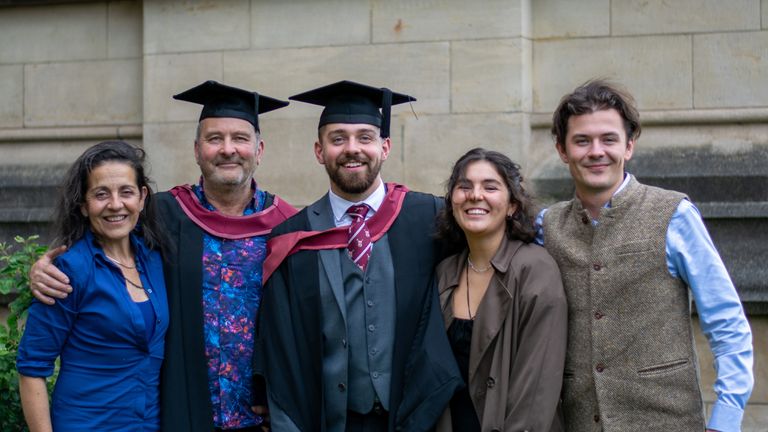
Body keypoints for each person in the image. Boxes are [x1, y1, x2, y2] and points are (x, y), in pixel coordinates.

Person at [28, 81, 297, 431]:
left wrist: (286, 402)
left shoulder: (289, 225)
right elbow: (99, 243)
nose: (228, 149)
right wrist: (42, 267)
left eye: (240, 139)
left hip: (259, 418)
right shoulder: (161, 214)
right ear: (197, 150)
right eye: (214, 139)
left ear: (258, 149)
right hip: (175, 411)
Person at [536, 79, 754, 431]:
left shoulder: (673, 214)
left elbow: (727, 323)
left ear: (629, 146)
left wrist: (726, 420)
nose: (596, 151)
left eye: (609, 139)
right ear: (562, 150)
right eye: (582, 140)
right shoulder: (547, 226)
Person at [257, 80, 463, 432]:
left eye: (365, 137)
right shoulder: (292, 238)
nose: (352, 149)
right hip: (330, 420)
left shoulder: (429, 217)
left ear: (384, 147)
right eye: (338, 139)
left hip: (416, 416)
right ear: (319, 151)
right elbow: (281, 349)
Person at [17, 141, 168, 431]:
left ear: (142, 197)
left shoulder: (155, 259)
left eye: (126, 192)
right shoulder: (69, 271)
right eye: (101, 194)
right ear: (84, 206)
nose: (115, 204)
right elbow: (32, 368)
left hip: (148, 424)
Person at [433, 148, 567, 432]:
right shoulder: (444, 273)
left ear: (512, 205)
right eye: (464, 186)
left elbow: (536, 392)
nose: (475, 195)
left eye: (490, 187)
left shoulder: (535, 270)